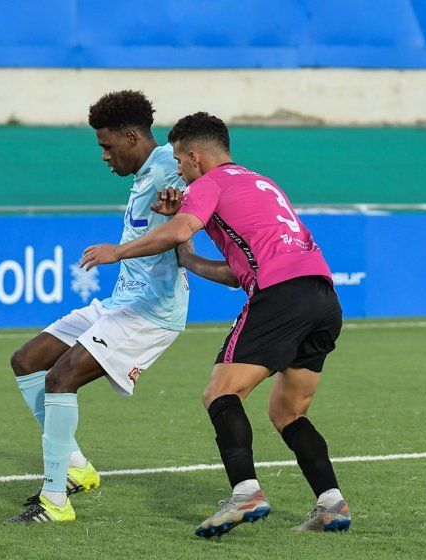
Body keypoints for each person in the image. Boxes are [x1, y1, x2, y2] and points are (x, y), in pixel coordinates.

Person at [80, 112, 350, 536]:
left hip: (280, 296)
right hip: (322, 298)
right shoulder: (262, 183)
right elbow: (235, 270)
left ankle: (246, 493)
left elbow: (177, 230)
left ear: (196, 156)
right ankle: (331, 503)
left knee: (219, 393)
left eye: (181, 163)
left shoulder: (209, 183)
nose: (181, 172)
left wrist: (121, 250)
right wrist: (187, 254)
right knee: (288, 411)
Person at [7, 91, 189, 523]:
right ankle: (75, 467)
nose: (104, 156)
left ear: (131, 137)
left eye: (107, 146)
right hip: (119, 303)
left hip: (151, 311)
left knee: (61, 377)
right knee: (27, 360)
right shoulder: (144, 174)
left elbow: (202, 200)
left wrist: (119, 251)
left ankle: (55, 500)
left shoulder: (169, 166)